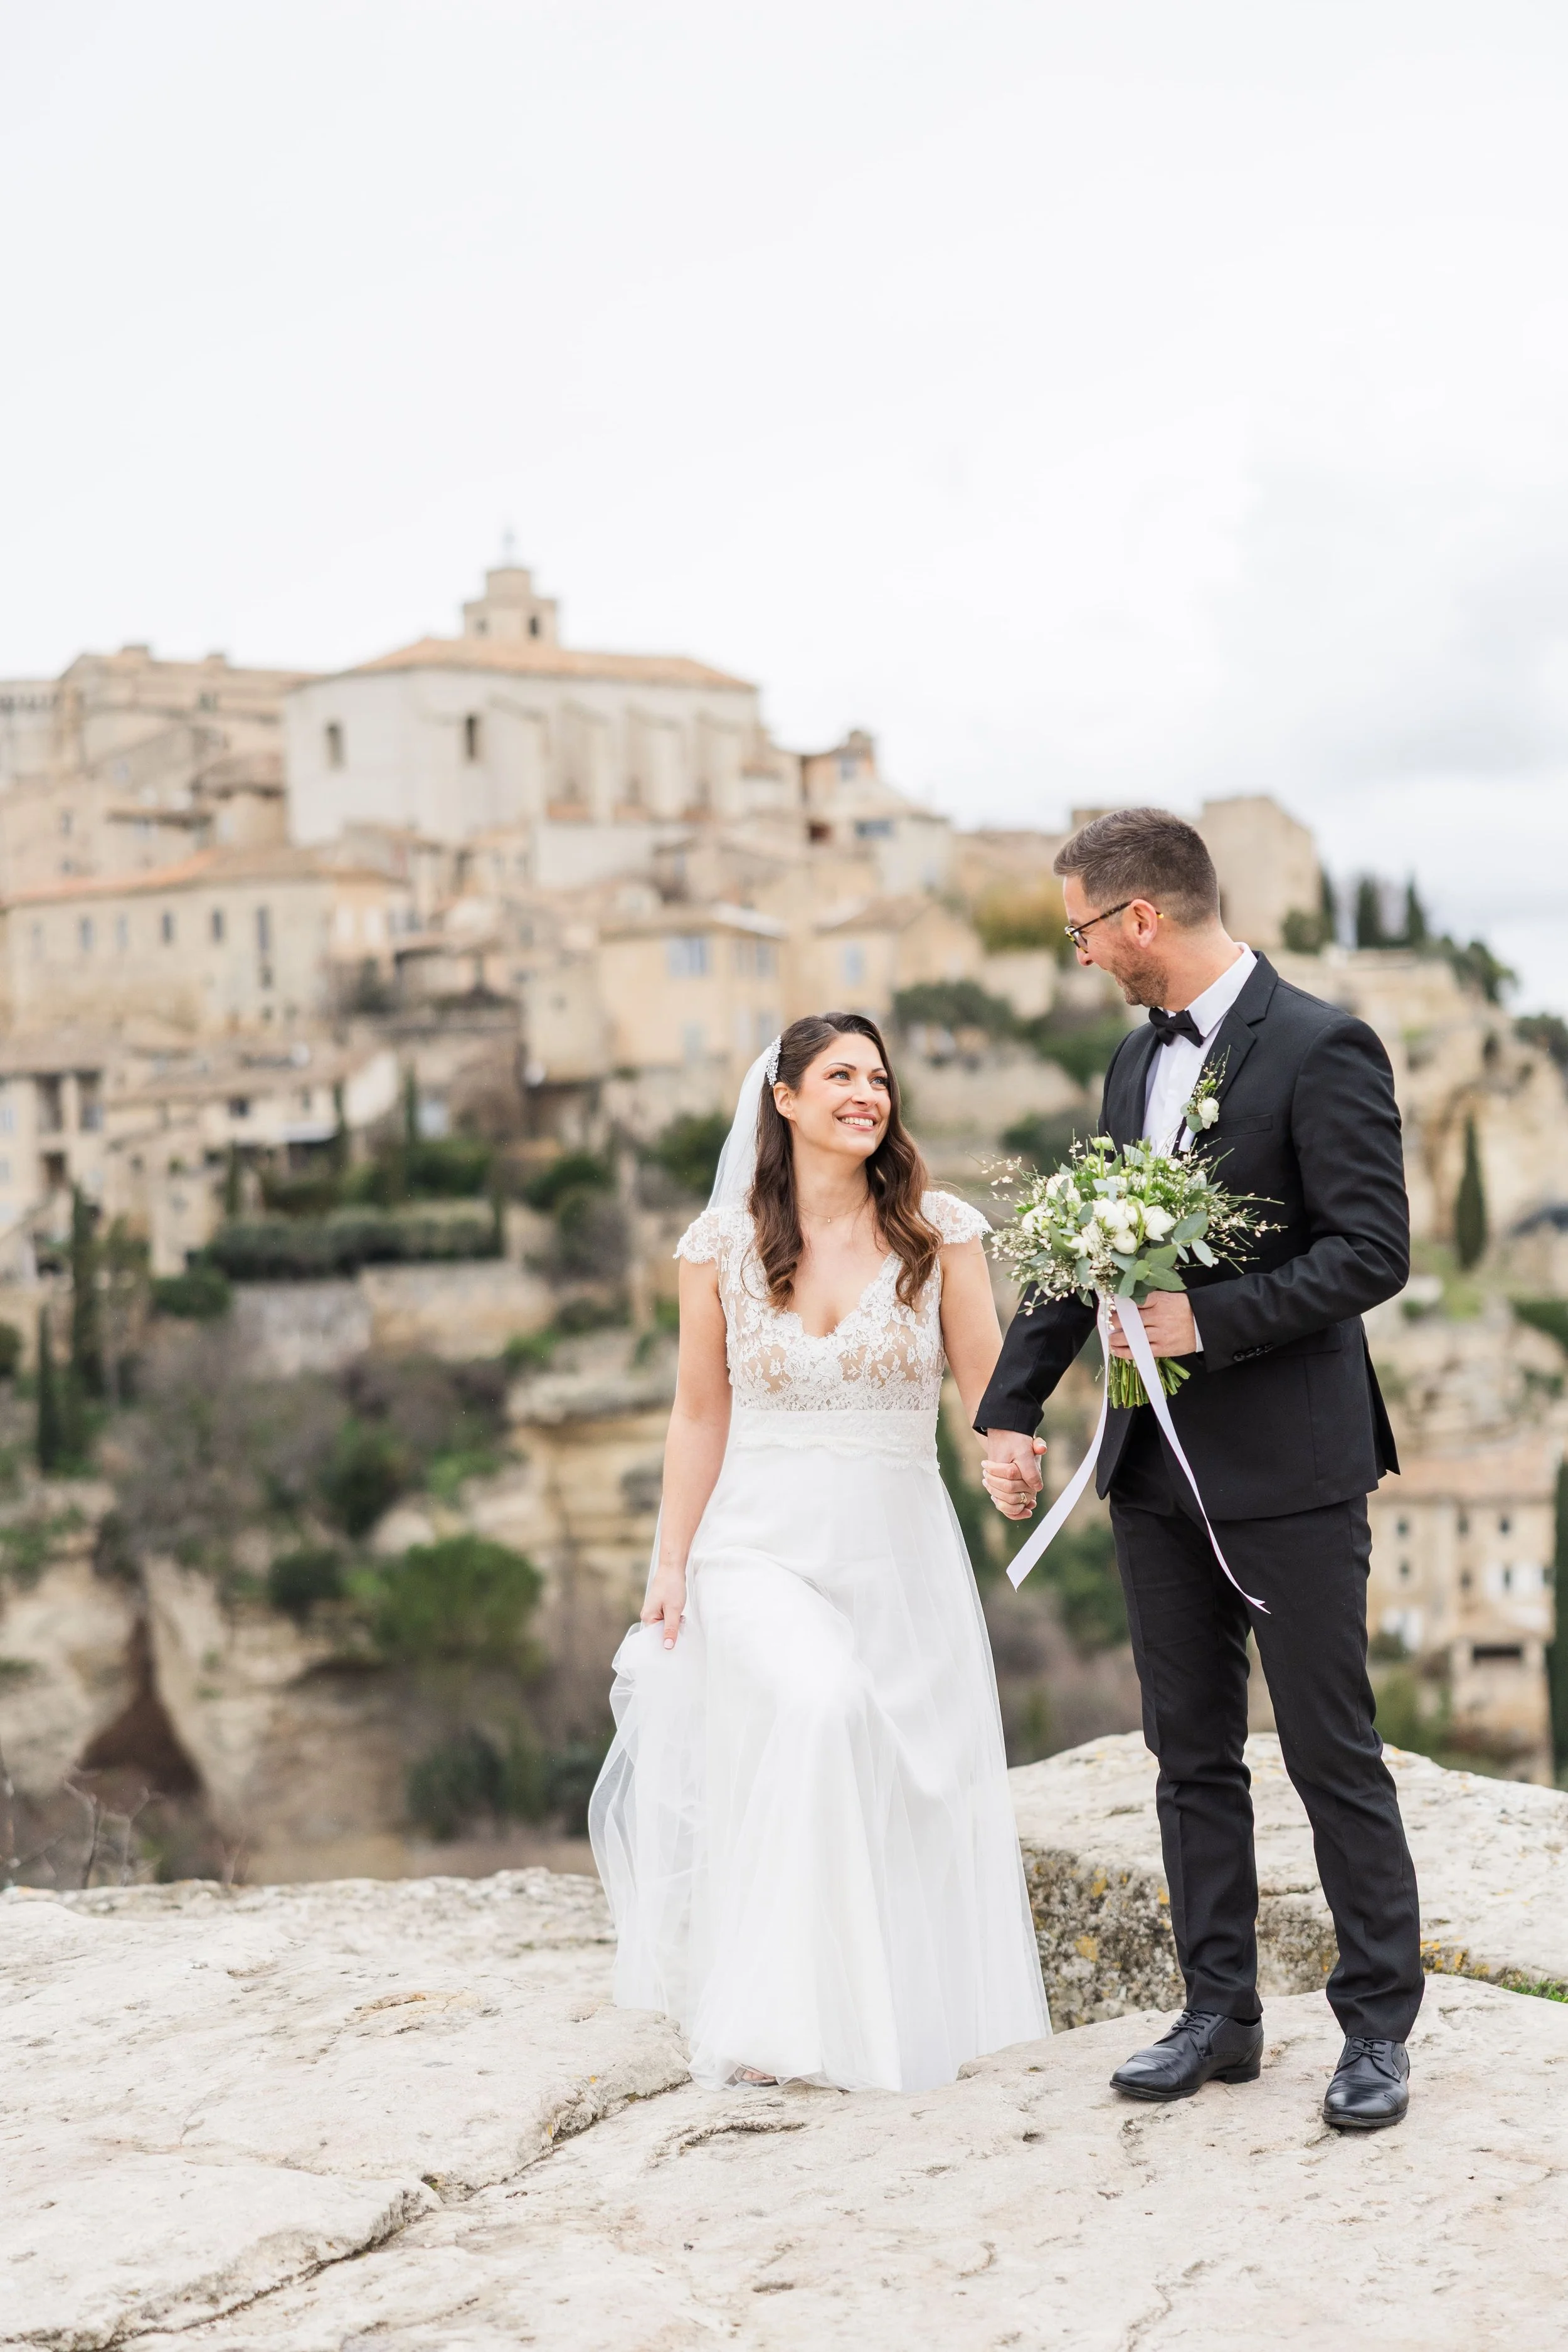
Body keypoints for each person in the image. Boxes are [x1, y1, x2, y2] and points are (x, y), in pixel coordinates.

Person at [978, 807, 1422, 2133]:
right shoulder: (1128, 1065)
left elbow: (1371, 1250)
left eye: (1078, 933)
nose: (1077, 959)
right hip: (1149, 1476)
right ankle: (1218, 2012)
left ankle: (1375, 2033)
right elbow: (1085, 1254)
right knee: (1186, 1756)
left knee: (1330, 1755)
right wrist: (1010, 1403)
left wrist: (1207, 1323)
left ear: (1140, 921)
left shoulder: (1320, 1045)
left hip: (1287, 1468)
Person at [590, 1011, 1049, 2092]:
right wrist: (671, 1562)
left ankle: (887, 2028)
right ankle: (778, 2030)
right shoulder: (722, 1248)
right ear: (783, 1098)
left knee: (902, 1779)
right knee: (819, 1705)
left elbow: (989, 1389)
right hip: (755, 1548)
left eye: (880, 1076)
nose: (867, 1092)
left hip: (900, 1554)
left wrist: (1013, 1457)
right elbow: (698, 1415)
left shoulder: (943, 1233)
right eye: (840, 1074)